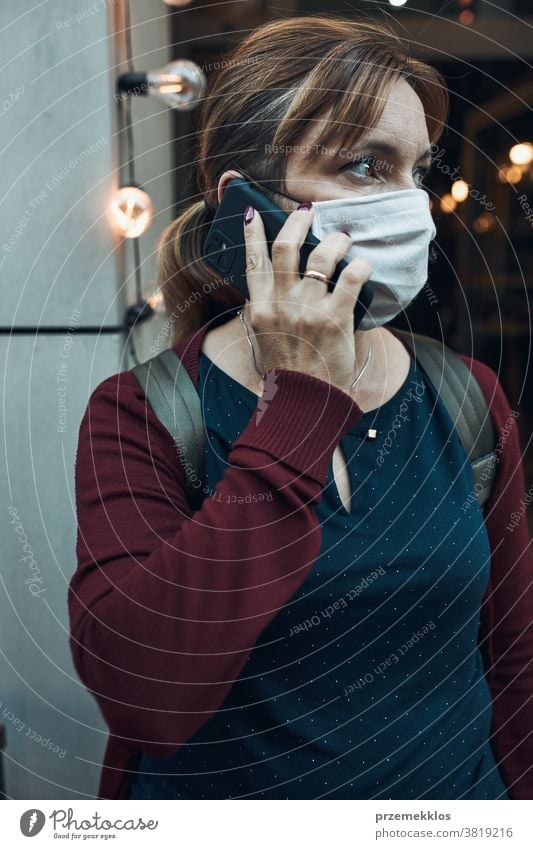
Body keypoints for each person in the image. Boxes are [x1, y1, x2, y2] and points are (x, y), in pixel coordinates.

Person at [68, 14, 533, 800]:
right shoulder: (142, 412)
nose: (409, 207)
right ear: (242, 205)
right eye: (362, 165)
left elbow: (516, 661)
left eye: (415, 169)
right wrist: (301, 406)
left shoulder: (467, 398)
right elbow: (143, 693)